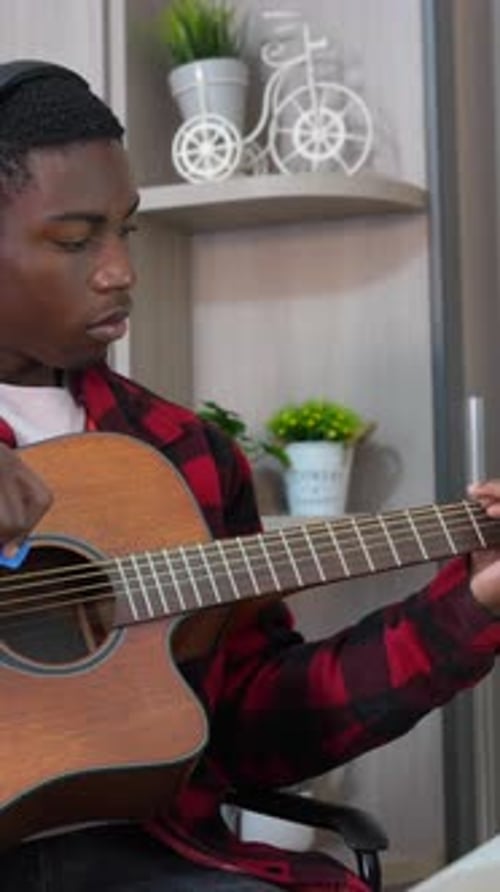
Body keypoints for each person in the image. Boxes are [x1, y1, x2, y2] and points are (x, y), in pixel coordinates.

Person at [0, 59, 500, 892]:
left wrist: (471, 607)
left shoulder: (179, 454)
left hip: (156, 865)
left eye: (128, 229)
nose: (120, 268)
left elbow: (256, 728)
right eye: (75, 238)